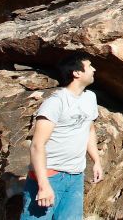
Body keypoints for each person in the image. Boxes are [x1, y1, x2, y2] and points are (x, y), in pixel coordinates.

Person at [21, 51, 103, 220]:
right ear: (77, 73)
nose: (94, 69)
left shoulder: (90, 98)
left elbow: (89, 129)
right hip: (50, 175)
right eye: (89, 66)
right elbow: (37, 145)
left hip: (76, 177)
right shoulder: (55, 103)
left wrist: (96, 161)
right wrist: (43, 185)